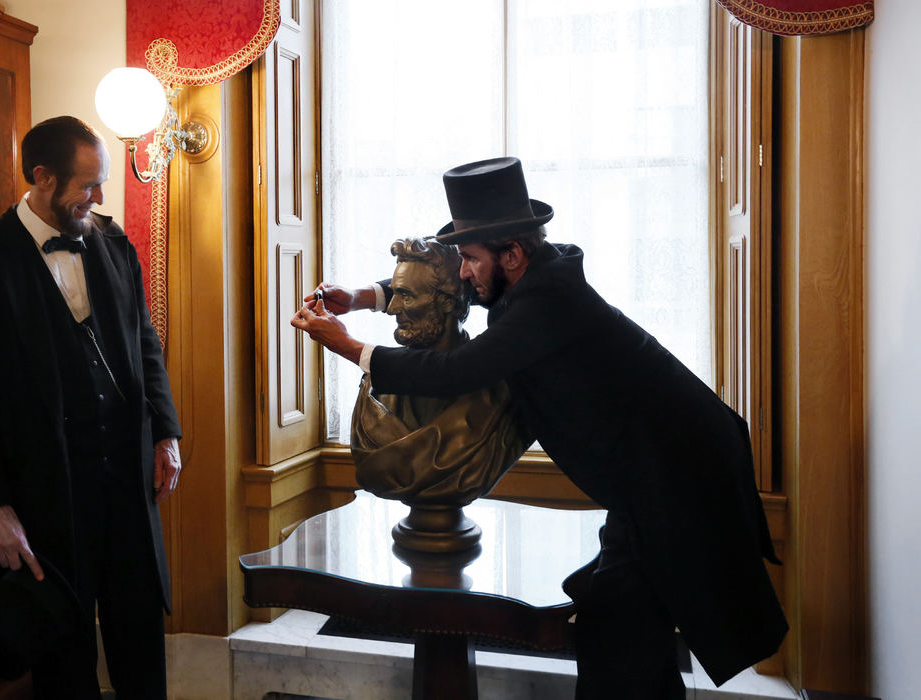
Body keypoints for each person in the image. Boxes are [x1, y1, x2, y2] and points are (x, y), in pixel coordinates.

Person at [291, 157, 788, 699]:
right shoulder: (537, 277)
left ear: (512, 254)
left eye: (472, 259)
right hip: (650, 474)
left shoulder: (546, 304)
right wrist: (366, 298)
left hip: (683, 475)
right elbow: (451, 287)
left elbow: (457, 373)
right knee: (616, 622)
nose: (463, 272)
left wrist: (347, 344)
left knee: (626, 628)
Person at [0, 116, 182, 699]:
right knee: (63, 665)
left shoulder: (115, 242)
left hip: (126, 485)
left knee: (140, 646)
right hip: (45, 493)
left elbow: (143, 341)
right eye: (88, 186)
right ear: (41, 178)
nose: (98, 199)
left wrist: (165, 432)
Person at [351, 237, 527, 507]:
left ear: (447, 301)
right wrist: (355, 297)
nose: (393, 308)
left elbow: (450, 372)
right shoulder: (374, 387)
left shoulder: (502, 388)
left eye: (406, 295)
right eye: (395, 293)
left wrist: (345, 344)